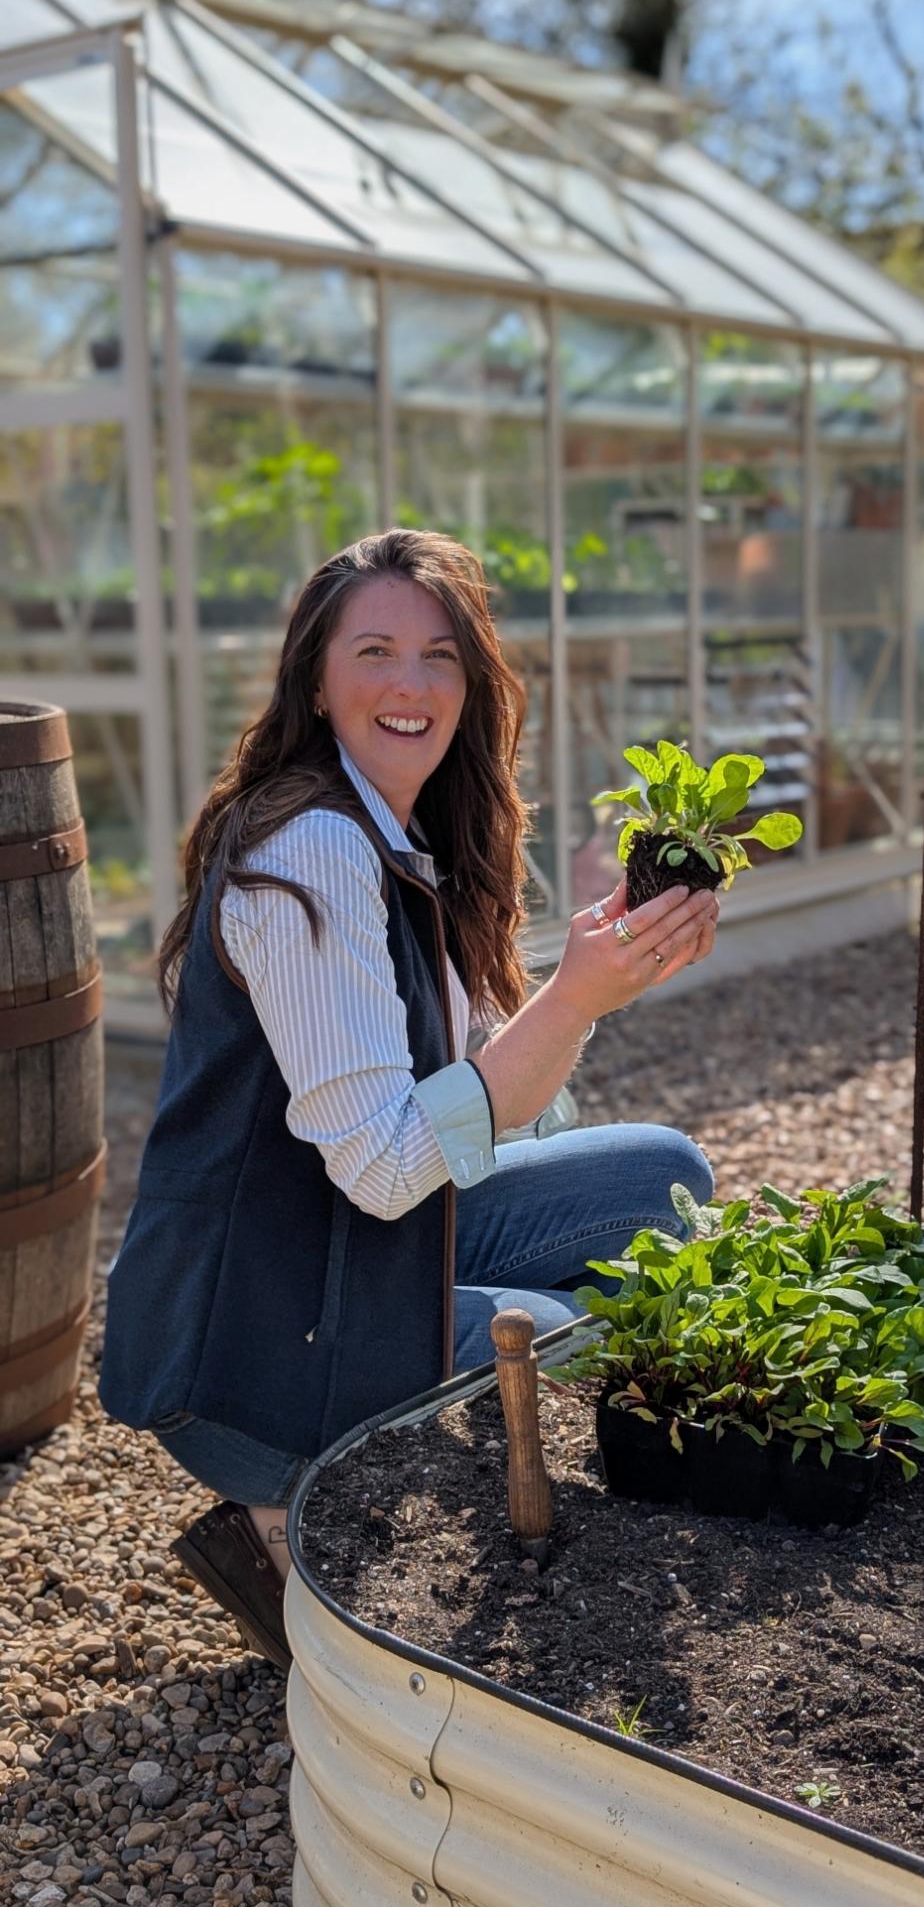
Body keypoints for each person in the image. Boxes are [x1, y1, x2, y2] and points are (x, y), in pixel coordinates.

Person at [99, 529, 718, 1670]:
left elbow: (499, 1107)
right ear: (317, 678)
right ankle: (301, 1504)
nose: (410, 683)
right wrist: (577, 998)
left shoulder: (402, 833)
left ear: (472, 681)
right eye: (374, 649)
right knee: (574, 1326)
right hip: (253, 1337)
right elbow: (386, 1166)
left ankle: (374, 1492)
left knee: (666, 1182)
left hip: (350, 1245)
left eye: (439, 655)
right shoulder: (317, 849)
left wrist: (593, 965)